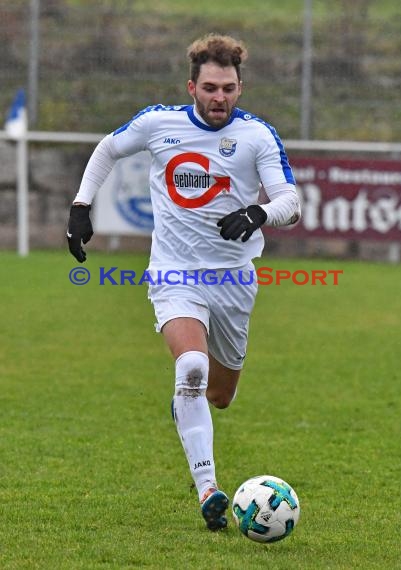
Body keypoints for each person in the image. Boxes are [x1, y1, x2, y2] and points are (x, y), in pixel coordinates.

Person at [67, 33, 301, 531]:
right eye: (211, 87)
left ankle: (188, 401)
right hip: (174, 274)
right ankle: (209, 490)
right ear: (191, 86)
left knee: (220, 394)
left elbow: (290, 200)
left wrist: (258, 212)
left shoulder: (258, 135)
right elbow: (108, 148)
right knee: (191, 366)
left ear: (241, 88)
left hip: (235, 279)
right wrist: (81, 205)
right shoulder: (159, 124)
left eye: (230, 89)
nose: (221, 98)